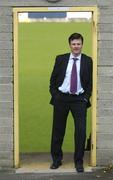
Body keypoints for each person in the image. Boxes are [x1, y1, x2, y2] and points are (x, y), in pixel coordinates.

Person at [49, 33, 93, 173]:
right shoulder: (61, 59)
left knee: (80, 132)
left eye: (78, 44)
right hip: (61, 99)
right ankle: (56, 160)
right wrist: (56, 96)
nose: (76, 46)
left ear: (82, 45)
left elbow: (90, 82)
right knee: (58, 130)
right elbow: (53, 80)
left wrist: (86, 97)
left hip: (79, 100)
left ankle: (78, 162)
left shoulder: (88, 61)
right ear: (70, 45)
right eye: (73, 44)